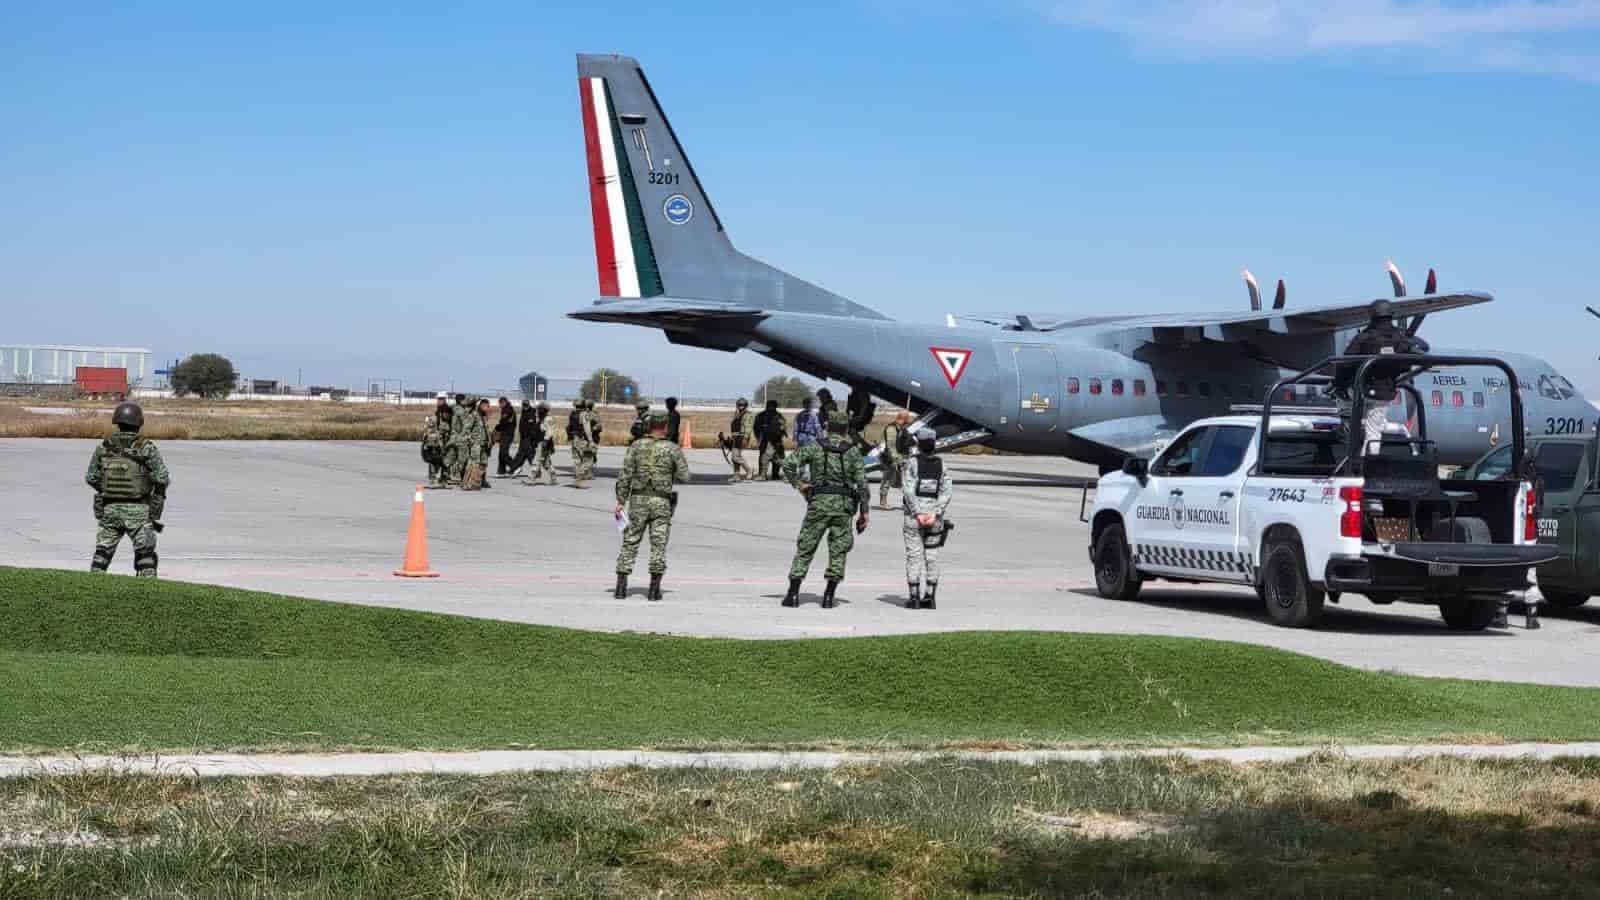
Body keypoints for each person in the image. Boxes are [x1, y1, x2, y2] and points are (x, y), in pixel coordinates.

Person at [780, 411, 869, 609]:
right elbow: (863, 485)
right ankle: (829, 597)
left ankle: (793, 594)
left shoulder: (814, 447)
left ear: (827, 427)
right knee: (838, 550)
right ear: (846, 429)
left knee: (806, 548)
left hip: (818, 504)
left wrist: (800, 484)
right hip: (843, 507)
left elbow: (788, 464)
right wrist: (864, 512)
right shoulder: (853, 452)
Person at [86, 402, 170, 578]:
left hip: (110, 510)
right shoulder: (146, 448)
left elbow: (92, 477)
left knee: (101, 556)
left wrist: (110, 489)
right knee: (145, 557)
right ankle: (148, 596)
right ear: (139, 423)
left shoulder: (104, 447)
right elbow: (162, 478)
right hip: (139, 510)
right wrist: (155, 496)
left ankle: (91, 589)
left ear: (117, 422)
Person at [614, 412, 691, 601]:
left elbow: (625, 476)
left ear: (649, 426)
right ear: (665, 427)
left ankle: (621, 587)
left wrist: (621, 500)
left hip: (638, 500)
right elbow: (685, 476)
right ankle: (654, 589)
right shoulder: (672, 449)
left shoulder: (636, 446)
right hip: (661, 501)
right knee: (659, 544)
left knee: (630, 541)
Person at [901, 428, 953, 610]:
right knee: (932, 555)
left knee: (914, 555)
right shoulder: (942, 464)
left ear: (919, 444)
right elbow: (947, 492)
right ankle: (930, 597)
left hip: (914, 518)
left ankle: (914, 597)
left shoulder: (912, 464)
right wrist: (935, 513)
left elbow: (908, 490)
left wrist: (918, 513)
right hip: (934, 518)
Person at [878, 410, 914, 510]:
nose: (908, 422)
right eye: (907, 420)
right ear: (903, 419)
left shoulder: (903, 429)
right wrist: (897, 461)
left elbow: (909, 442)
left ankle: (907, 503)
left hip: (902, 458)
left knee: (906, 482)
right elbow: (891, 447)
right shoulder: (891, 429)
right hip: (891, 459)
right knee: (887, 480)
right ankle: (883, 502)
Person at [458, 398, 491, 490]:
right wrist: (470, 440)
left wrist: (489, 441)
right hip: (476, 444)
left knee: (483, 464)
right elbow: (466, 429)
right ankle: (466, 483)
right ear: (481, 406)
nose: (487, 408)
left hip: (484, 444)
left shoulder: (484, 417)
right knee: (473, 463)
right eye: (486, 406)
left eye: (488, 406)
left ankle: (477, 482)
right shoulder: (474, 415)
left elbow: (486, 430)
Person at [754, 399, 787, 480]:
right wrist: (758, 438)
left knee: (778, 458)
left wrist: (781, 433)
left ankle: (775, 474)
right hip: (765, 440)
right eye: (769, 406)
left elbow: (783, 428)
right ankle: (762, 474)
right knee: (764, 457)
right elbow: (756, 428)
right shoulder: (761, 416)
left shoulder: (779, 416)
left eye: (773, 406)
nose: (771, 408)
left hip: (776, 441)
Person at [529, 402, 558, 485]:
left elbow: (550, 431)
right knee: (546, 463)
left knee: (537, 460)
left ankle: (532, 477)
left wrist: (545, 441)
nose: (538, 412)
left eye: (539, 410)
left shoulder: (548, 419)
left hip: (544, 442)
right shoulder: (541, 419)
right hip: (540, 442)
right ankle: (553, 478)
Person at [446, 393, 471, 486]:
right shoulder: (461, 411)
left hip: (453, 437)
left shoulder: (453, 408)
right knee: (462, 458)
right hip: (460, 438)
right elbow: (466, 424)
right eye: (465, 400)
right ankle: (458, 477)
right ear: (461, 401)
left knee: (450, 457)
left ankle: (444, 475)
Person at [727, 398, 754, 482]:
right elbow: (735, 425)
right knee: (734, 457)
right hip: (735, 437)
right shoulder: (737, 414)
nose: (741, 407)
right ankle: (736, 475)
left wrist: (745, 437)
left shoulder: (748, 415)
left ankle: (749, 470)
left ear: (746, 406)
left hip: (742, 437)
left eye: (742, 405)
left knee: (735, 457)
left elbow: (748, 427)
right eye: (739, 405)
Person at [572, 400, 598, 487]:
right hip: (583, 440)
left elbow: (569, 427)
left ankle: (578, 480)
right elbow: (587, 428)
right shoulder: (584, 414)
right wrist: (591, 441)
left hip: (574, 439)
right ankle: (579, 480)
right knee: (589, 460)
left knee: (577, 461)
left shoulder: (572, 414)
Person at [493, 397, 517, 476]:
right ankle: (501, 471)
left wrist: (497, 427)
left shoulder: (508, 410)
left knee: (503, 453)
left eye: (500, 403)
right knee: (501, 453)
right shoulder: (506, 409)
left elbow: (504, 422)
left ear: (504, 402)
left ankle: (515, 467)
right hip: (505, 433)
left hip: (507, 434)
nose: (499, 405)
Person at [421, 414, 447, 487]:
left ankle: (439, 478)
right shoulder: (427, 432)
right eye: (430, 423)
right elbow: (425, 444)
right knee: (433, 463)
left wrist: (441, 449)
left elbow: (439, 441)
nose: (431, 424)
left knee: (440, 464)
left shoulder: (436, 432)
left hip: (436, 450)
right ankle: (433, 478)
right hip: (430, 451)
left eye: (432, 423)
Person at [513, 398, 537, 474]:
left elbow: (532, 424)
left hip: (530, 437)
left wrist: (532, 435)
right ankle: (516, 468)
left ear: (529, 405)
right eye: (524, 405)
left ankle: (534, 469)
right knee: (522, 453)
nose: (525, 406)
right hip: (523, 436)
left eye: (526, 405)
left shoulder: (533, 411)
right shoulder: (524, 411)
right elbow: (522, 424)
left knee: (528, 454)